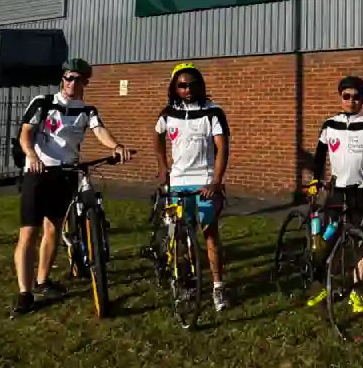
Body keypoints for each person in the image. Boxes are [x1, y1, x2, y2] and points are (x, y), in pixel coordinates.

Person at [12, 58, 132, 316]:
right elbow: (25, 134)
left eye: (77, 79)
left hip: (66, 174)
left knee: (53, 229)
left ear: (85, 82)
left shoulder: (87, 110)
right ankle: (25, 293)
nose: (71, 83)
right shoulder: (43, 103)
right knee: (29, 233)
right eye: (68, 77)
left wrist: (116, 146)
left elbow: (100, 131)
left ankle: (42, 281)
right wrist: (31, 155)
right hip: (39, 173)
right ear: (62, 78)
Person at [308, 76, 363, 313]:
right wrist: (316, 179)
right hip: (337, 191)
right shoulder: (329, 124)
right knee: (331, 239)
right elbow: (320, 155)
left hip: (361, 192)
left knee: (360, 241)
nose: (351, 101)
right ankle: (327, 282)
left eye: (356, 97)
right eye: (346, 96)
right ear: (340, 97)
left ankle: (357, 290)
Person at [154, 62, 231, 312]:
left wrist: (216, 181)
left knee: (210, 235)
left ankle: (218, 286)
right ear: (174, 88)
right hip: (178, 183)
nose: (188, 89)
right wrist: (163, 167)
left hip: (204, 181)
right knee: (183, 236)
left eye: (193, 84)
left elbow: (222, 148)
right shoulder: (168, 113)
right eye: (182, 85)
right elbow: (157, 136)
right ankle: (188, 282)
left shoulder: (213, 112)